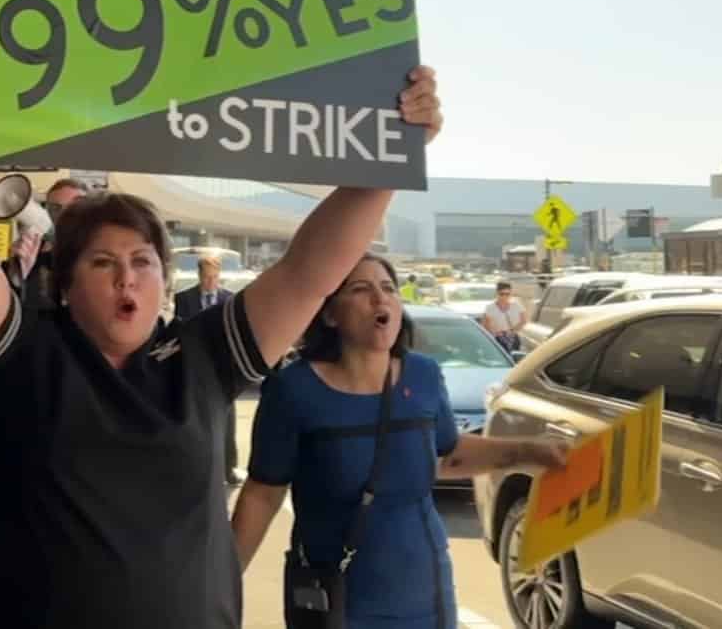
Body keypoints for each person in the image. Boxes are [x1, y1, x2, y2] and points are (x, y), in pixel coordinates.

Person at [0, 26, 443, 629]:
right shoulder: (27, 355)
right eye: (102, 264)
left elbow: (310, 269)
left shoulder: (201, 354)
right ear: (65, 285)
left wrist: (393, 154)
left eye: (143, 263)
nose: (127, 279)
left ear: (163, 277)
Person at [230, 255, 567, 629]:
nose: (380, 299)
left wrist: (532, 451)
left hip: (424, 587)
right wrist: (221, 588)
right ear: (329, 315)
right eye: (361, 289)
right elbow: (263, 494)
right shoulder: (294, 390)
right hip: (335, 595)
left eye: (388, 288)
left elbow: (448, 452)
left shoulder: (423, 375)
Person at [174, 255, 244, 487]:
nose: (210, 283)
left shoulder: (229, 299)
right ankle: (197, 469)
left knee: (227, 421)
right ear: (199, 276)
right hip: (194, 368)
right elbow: (180, 331)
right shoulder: (183, 299)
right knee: (197, 419)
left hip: (223, 369)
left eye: (214, 278)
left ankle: (228, 469)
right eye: (206, 278)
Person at [3, 176, 91, 308]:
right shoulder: (27, 253)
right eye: (55, 208)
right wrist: (16, 276)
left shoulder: (97, 258)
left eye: (74, 208)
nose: (63, 215)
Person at [480, 280, 527, 351]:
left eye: (507, 294)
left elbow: (523, 321)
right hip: (497, 339)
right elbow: (485, 325)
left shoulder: (516, 305)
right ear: (497, 293)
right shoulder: (490, 307)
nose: (504, 296)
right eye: (502, 294)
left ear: (511, 293)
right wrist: (495, 333)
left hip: (513, 338)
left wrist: (512, 331)